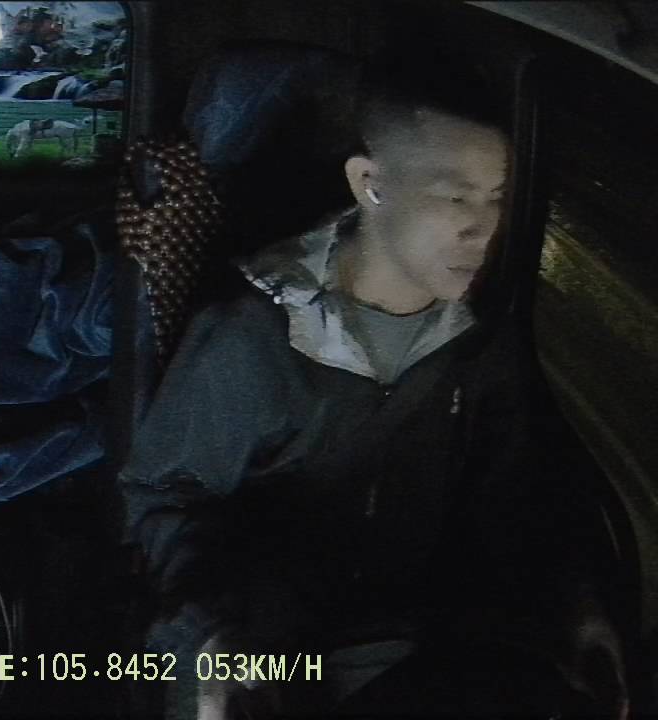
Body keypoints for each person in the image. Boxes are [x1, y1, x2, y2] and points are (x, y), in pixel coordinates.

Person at [118, 52, 628, 718]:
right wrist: (208, 638)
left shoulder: (478, 341)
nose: (481, 228)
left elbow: (511, 492)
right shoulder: (257, 335)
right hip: (266, 657)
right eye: (454, 197)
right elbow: (166, 493)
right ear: (370, 183)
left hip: (422, 646)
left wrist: (575, 603)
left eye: (496, 198)